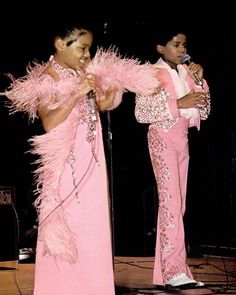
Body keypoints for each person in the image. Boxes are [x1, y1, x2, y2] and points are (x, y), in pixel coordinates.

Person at [1, 22, 157, 295]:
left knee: (93, 227)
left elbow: (93, 109)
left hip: (92, 159)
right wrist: (76, 93)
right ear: (60, 43)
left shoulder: (81, 73)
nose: (87, 54)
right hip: (68, 165)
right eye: (82, 47)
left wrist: (108, 97)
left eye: (89, 49)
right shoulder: (47, 77)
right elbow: (50, 122)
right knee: (71, 226)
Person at [135, 30, 211, 290]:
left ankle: (168, 272)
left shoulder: (187, 72)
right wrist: (179, 103)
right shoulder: (150, 73)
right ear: (159, 47)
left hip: (182, 139)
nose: (181, 50)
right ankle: (174, 272)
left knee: (178, 207)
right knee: (171, 204)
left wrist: (200, 83)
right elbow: (141, 112)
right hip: (162, 137)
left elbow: (205, 110)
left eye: (184, 45)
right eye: (175, 45)